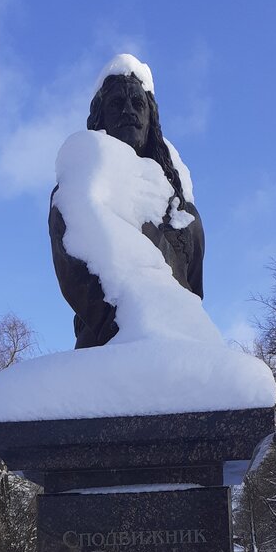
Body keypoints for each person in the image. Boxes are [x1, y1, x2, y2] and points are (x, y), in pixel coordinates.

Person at [48, 58, 205, 348]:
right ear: (101, 120)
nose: (128, 111)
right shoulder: (75, 193)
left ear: (151, 119)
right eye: (116, 104)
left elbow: (194, 298)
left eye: (137, 104)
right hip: (108, 357)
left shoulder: (186, 216)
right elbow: (76, 278)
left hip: (180, 357)